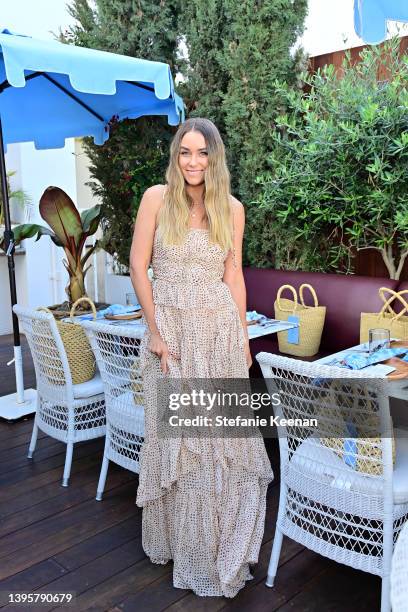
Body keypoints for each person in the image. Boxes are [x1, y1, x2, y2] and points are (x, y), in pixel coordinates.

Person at [129, 117, 273, 598]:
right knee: (180, 439)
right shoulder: (156, 198)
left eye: (202, 153)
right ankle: (185, 543)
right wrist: (154, 331)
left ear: (215, 158)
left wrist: (244, 338)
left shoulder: (232, 209)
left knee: (220, 440)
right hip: (171, 331)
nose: (193, 162)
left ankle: (217, 545)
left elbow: (234, 276)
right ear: (176, 156)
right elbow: (138, 265)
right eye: (185, 152)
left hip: (217, 332)